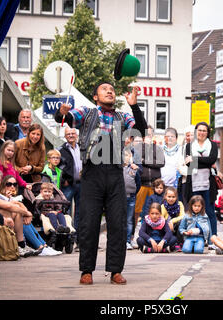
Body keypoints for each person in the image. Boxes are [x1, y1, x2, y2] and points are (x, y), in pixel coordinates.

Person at [54, 83, 147, 285]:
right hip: (92, 173)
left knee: (118, 223)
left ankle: (115, 271)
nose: (110, 91)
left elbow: (140, 130)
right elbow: (66, 119)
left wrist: (134, 106)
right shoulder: (87, 112)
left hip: (115, 173)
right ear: (95, 96)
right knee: (88, 223)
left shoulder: (123, 116)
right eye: (104, 89)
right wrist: (61, 113)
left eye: (112, 89)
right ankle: (86, 270)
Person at [0, 175, 60, 256]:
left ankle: (44, 246)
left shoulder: (15, 197)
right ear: (3, 185)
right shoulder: (0, 196)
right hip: (5, 221)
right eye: (9, 184)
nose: (12, 187)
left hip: (14, 220)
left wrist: (25, 212)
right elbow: (11, 207)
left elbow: (23, 209)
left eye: (14, 184)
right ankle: (40, 247)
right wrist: (26, 213)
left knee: (25, 219)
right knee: (23, 220)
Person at [0, 168, 35, 258]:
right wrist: (28, 213)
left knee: (17, 211)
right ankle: (14, 246)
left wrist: (27, 213)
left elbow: (16, 204)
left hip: (0, 220)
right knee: (9, 210)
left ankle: (21, 245)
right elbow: (8, 206)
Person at [183, 122, 219, 244]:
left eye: (204, 130)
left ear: (208, 133)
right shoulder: (189, 146)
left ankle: (213, 238)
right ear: (196, 131)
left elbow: (212, 160)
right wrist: (203, 162)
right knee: (194, 212)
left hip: (208, 184)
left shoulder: (213, 145)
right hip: (193, 183)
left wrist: (195, 159)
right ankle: (195, 238)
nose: (202, 133)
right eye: (199, 130)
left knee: (209, 212)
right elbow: (188, 163)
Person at [134, 126, 165, 227]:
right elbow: (137, 160)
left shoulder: (158, 148)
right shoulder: (138, 148)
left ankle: (155, 231)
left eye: (150, 134)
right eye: (146, 134)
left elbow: (161, 163)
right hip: (141, 183)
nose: (148, 136)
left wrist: (145, 161)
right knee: (136, 210)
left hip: (155, 185)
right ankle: (131, 235)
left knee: (155, 210)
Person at [58, 127, 82, 245]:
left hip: (82, 184)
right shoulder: (61, 150)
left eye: (73, 133)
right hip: (68, 185)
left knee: (80, 212)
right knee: (65, 210)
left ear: (76, 135)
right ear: (65, 136)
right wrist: (65, 180)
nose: (71, 135)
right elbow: (59, 166)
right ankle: (66, 238)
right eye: (68, 134)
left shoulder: (82, 148)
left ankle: (77, 237)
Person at [123, 148, 140, 250]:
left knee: (129, 220)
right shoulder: (118, 169)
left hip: (131, 197)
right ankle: (120, 240)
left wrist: (134, 192)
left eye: (127, 155)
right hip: (120, 197)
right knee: (120, 219)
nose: (125, 158)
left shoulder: (133, 169)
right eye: (123, 155)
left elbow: (138, 183)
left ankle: (128, 240)